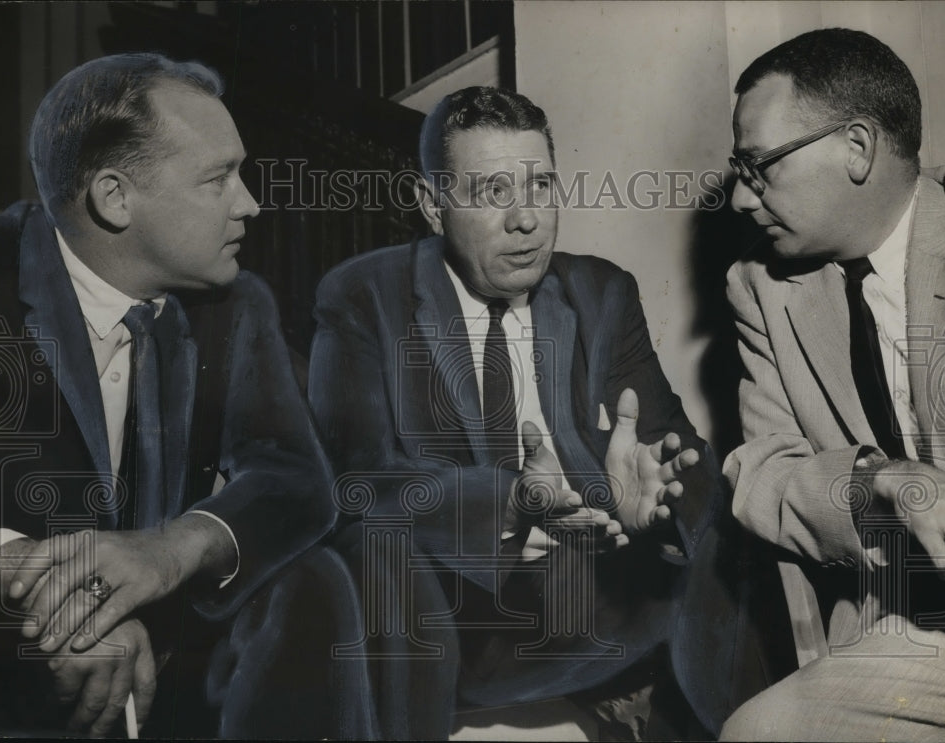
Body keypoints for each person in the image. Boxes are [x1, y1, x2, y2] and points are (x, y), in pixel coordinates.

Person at [308, 86, 749, 739]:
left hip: (597, 572)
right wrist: (508, 509)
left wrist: (660, 503)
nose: (526, 219)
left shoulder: (602, 291)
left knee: (731, 535)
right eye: (491, 193)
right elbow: (361, 479)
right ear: (433, 207)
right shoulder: (365, 300)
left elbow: (674, 445)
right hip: (461, 596)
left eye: (540, 186)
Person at [0, 53, 367, 739]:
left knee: (320, 578)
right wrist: (26, 583)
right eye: (219, 178)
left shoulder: (236, 303)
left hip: (173, 657)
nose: (250, 202)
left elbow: (296, 477)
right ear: (115, 196)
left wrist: (172, 548)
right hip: (5, 671)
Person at [719, 28, 945, 742]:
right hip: (927, 632)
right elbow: (763, 474)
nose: (742, 197)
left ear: (856, 148)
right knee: (757, 733)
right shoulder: (760, 288)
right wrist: (881, 481)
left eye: (758, 165)